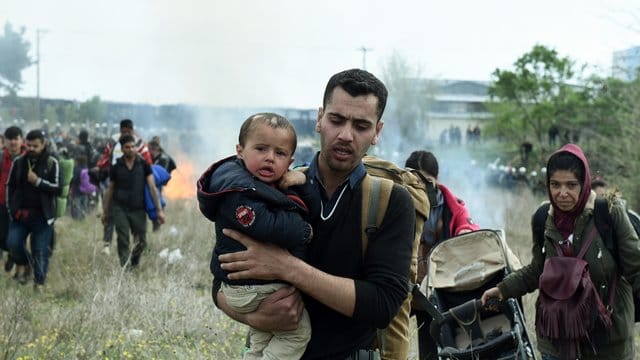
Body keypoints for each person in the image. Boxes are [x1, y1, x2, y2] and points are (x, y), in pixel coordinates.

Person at [211, 69, 415, 359]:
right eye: (336, 120)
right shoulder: (274, 187)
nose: (345, 135)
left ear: (376, 132)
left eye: (361, 125)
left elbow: (382, 304)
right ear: (320, 119)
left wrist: (286, 268)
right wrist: (253, 317)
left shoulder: (389, 201)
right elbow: (222, 277)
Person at [481, 144, 640, 360]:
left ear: (584, 184)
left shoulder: (609, 213)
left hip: (606, 344)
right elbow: (538, 270)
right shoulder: (543, 219)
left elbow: (636, 269)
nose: (562, 193)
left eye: (571, 185)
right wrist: (502, 290)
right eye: (555, 184)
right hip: (556, 342)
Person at [198, 112, 318, 359]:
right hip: (254, 287)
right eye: (261, 149)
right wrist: (304, 231)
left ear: (290, 161)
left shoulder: (263, 184)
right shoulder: (237, 190)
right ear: (240, 150)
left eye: (280, 153)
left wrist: (303, 183)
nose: (269, 159)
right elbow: (268, 225)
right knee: (296, 334)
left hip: (247, 287)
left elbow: (309, 205)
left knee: (261, 340)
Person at [404, 150, 480, 360]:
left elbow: (466, 226)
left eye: (427, 180)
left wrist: (464, 234)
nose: (422, 186)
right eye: (415, 180)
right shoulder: (399, 201)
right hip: (409, 282)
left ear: (436, 179)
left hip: (442, 283)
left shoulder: (452, 205)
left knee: (447, 339)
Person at [6, 129, 60, 288]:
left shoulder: (52, 163)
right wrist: (11, 210)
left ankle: (39, 284)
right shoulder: (19, 162)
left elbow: (57, 188)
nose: (31, 149)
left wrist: (38, 182)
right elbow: (10, 186)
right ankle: (27, 264)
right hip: (20, 216)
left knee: (40, 250)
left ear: (43, 145)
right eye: (28, 145)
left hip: (42, 217)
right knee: (13, 244)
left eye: (35, 146)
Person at [101, 134, 164, 269]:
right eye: (127, 147)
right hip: (120, 208)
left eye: (133, 146)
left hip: (138, 209)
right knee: (123, 239)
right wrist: (105, 212)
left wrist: (159, 210)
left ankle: (134, 263)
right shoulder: (116, 166)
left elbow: (153, 188)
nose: (131, 149)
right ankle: (126, 268)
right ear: (122, 149)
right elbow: (110, 190)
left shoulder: (143, 164)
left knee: (141, 241)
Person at [94, 119, 152, 255]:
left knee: (139, 233)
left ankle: (135, 255)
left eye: (128, 131)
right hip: (115, 184)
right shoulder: (113, 142)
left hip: (135, 190)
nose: (125, 133)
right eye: (123, 131)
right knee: (109, 215)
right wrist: (99, 167)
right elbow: (105, 158)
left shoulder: (139, 144)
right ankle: (107, 243)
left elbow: (148, 163)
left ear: (132, 130)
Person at [0, 126, 25, 273]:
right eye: (10, 139)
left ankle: (16, 260)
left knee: (15, 237)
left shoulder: (28, 158)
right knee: (2, 236)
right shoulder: (1, 157)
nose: (13, 142)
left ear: (21, 140)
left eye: (16, 139)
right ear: (5, 141)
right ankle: (10, 253)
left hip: (20, 205)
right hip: (2, 203)